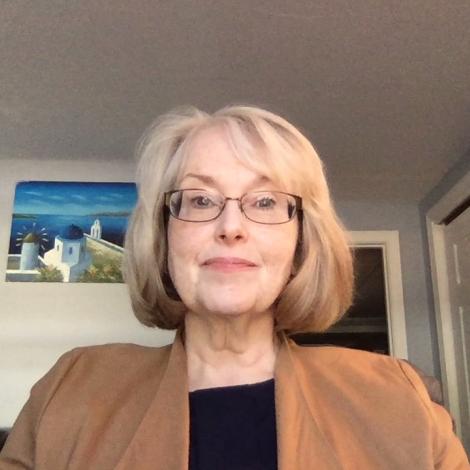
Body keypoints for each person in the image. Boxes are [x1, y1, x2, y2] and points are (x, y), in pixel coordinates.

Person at [0, 105, 468, 469]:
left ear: (301, 241)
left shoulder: (398, 399)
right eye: (200, 199)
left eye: (265, 201)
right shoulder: (71, 389)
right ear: (163, 236)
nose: (231, 226)